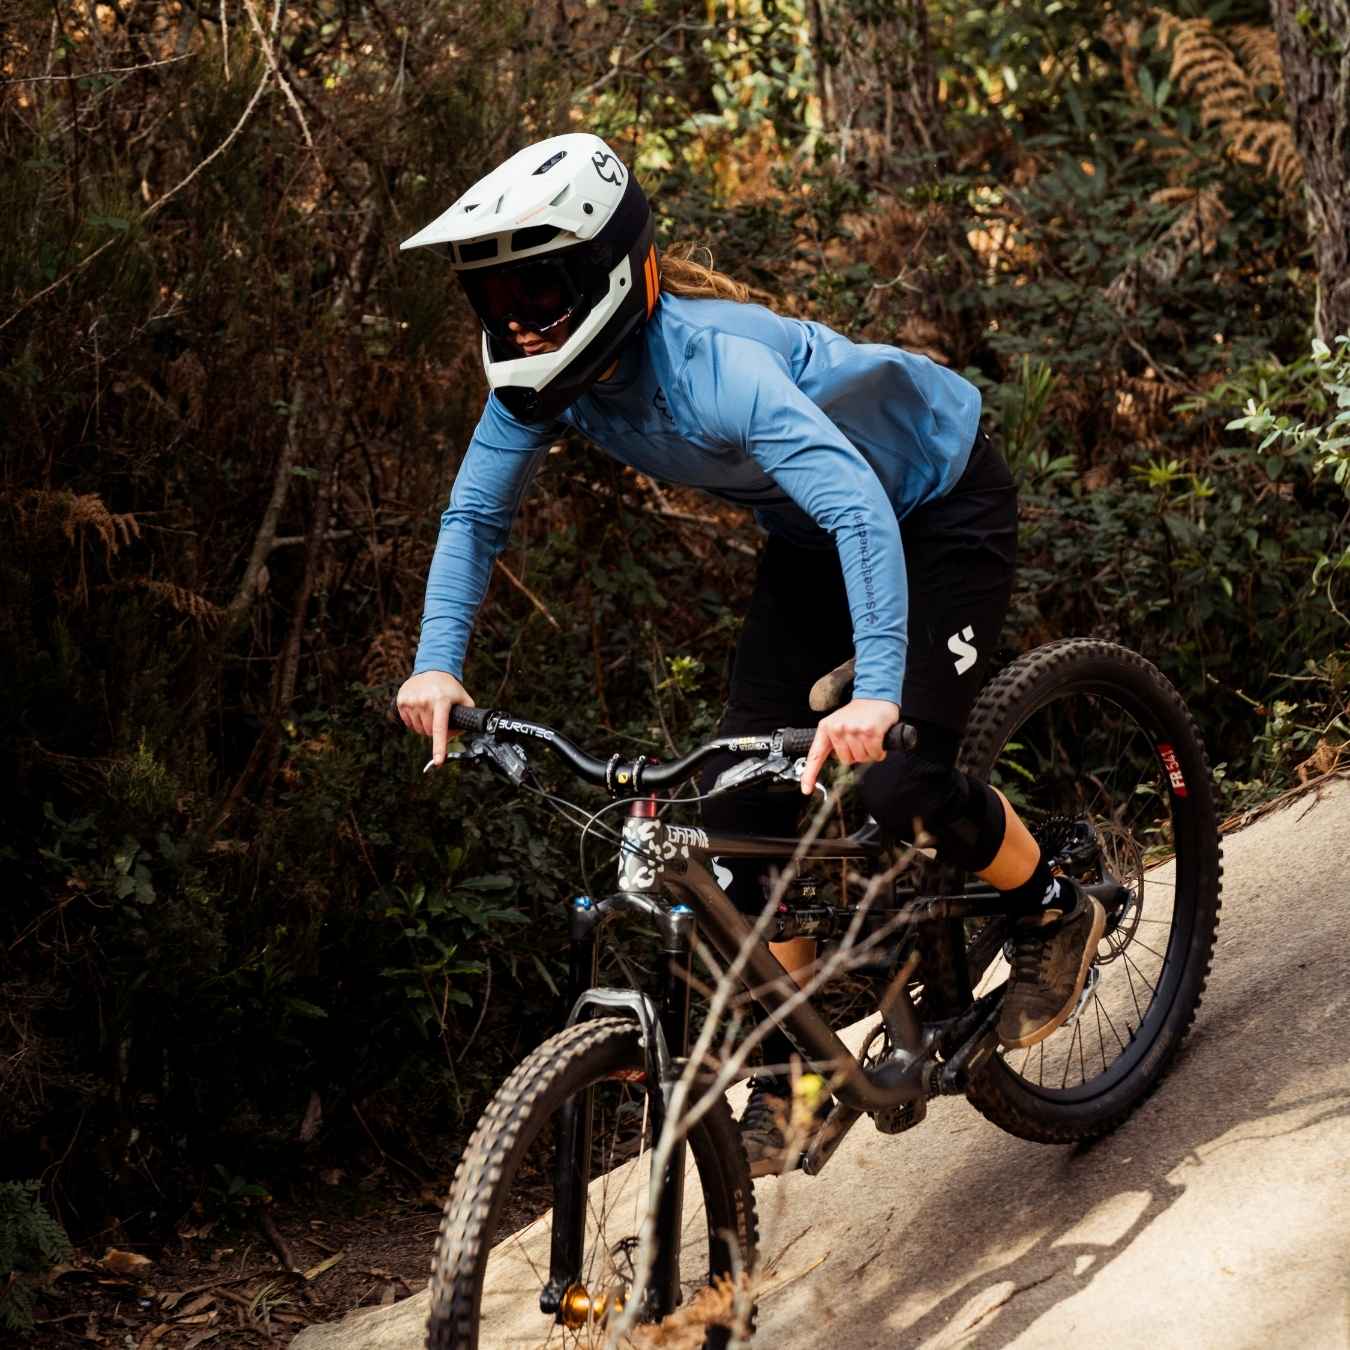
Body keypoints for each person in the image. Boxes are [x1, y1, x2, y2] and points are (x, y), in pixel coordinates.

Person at [395, 133, 1105, 1177]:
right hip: (813, 538)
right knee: (741, 809)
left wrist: (876, 690)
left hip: (938, 506)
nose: (519, 321)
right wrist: (436, 661)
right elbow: (472, 518)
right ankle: (801, 1070)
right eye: (496, 300)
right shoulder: (545, 390)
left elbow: (862, 506)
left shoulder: (716, 369)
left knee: (899, 777)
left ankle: (1053, 906)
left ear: (608, 272)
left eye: (538, 291)